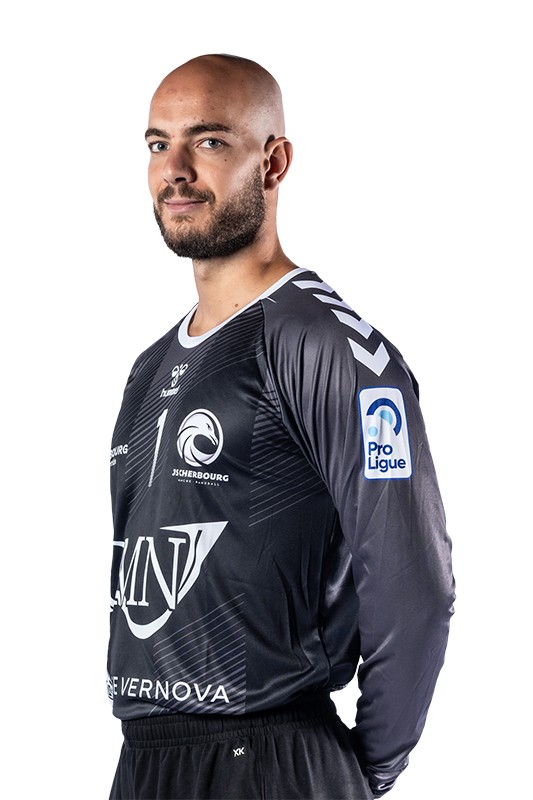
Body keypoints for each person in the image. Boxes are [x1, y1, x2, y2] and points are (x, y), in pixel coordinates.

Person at [106, 54, 454, 800]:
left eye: (207, 141)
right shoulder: (150, 367)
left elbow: (413, 581)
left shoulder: (326, 343)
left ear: (273, 162)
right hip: (146, 758)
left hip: (274, 757)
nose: (174, 170)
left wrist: (364, 770)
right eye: (158, 144)